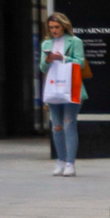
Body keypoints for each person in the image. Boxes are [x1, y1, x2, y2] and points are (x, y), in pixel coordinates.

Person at [39, 13, 85, 176]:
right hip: (53, 88)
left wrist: (63, 57)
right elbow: (42, 69)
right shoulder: (46, 43)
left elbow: (80, 62)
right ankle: (61, 160)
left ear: (64, 26)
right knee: (56, 127)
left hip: (71, 87)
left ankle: (70, 163)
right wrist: (48, 60)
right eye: (51, 27)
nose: (54, 31)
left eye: (57, 27)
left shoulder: (75, 41)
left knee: (69, 123)